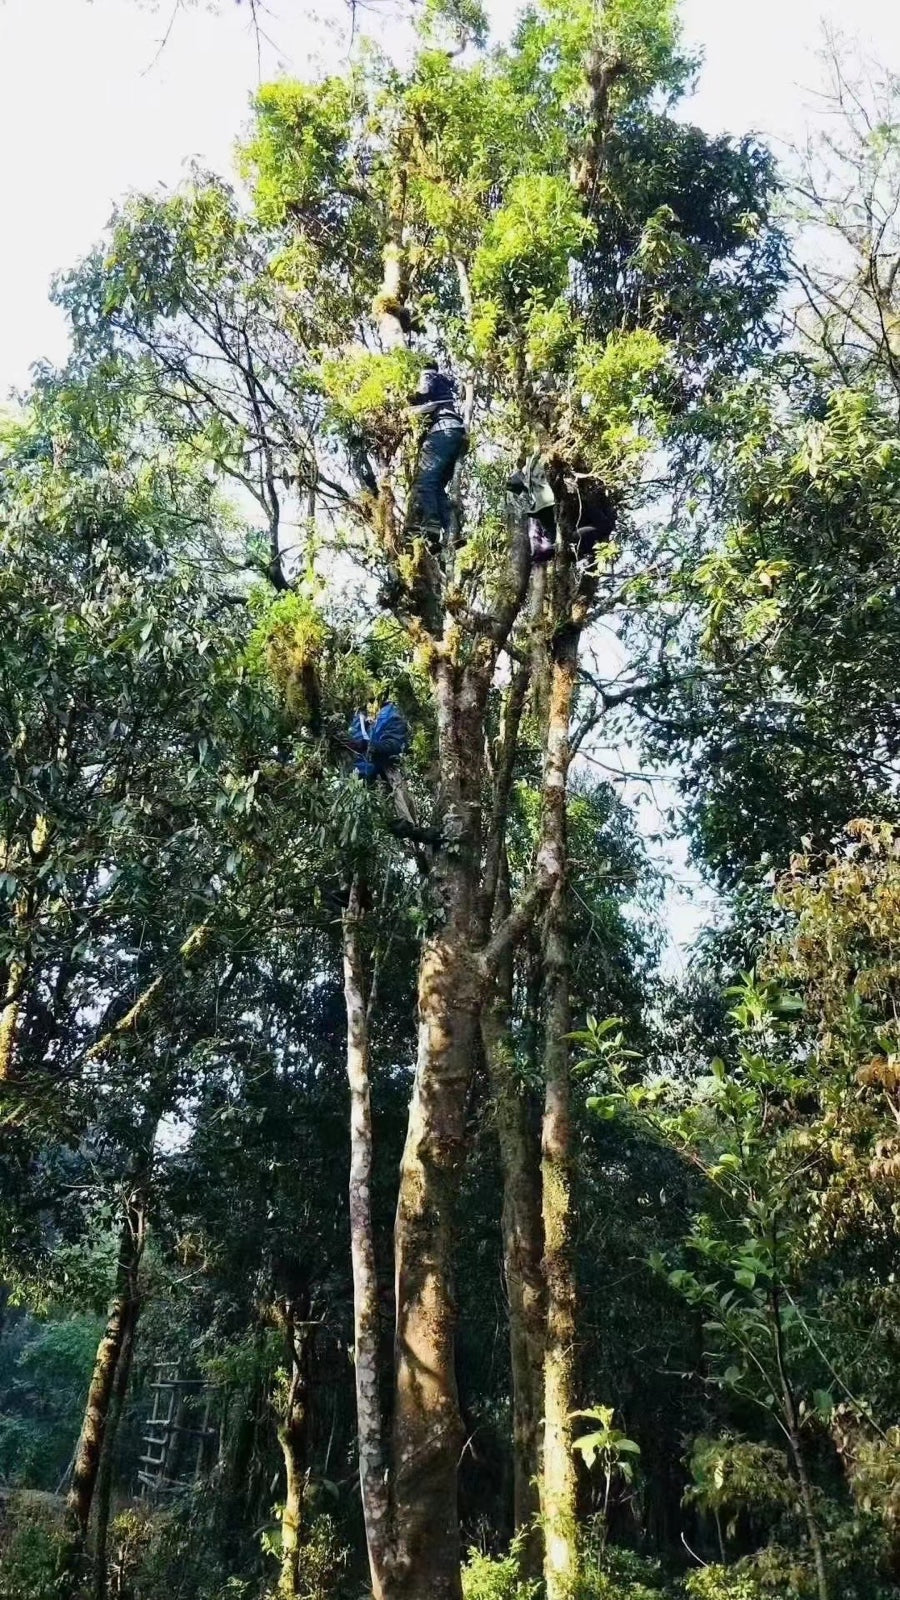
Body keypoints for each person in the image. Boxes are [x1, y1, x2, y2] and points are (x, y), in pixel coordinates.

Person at [404, 368, 468, 551]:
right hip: (455, 433)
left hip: (442, 432)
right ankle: (452, 531)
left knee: (425, 482)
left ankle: (431, 524)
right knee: (437, 486)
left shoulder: (428, 374)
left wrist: (410, 401)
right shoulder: (445, 388)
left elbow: (422, 391)